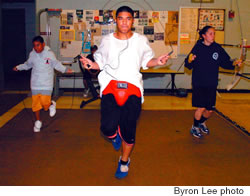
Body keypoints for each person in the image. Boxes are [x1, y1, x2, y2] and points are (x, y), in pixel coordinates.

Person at [80, 6, 171, 179]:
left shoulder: (140, 40)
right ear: (116, 20)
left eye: (128, 18)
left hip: (133, 89)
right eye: (121, 18)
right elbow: (99, 62)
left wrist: (157, 61)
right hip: (110, 87)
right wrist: (91, 65)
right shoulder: (107, 40)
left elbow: (146, 61)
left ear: (132, 20)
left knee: (129, 132)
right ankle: (114, 136)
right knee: (107, 128)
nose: (124, 22)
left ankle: (124, 161)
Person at [184, 25, 242, 138]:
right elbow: (188, 63)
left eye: (214, 33)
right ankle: (195, 127)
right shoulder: (198, 47)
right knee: (201, 107)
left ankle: (201, 123)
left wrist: (234, 63)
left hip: (211, 83)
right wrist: (190, 60)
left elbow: (226, 62)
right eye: (210, 33)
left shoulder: (217, 48)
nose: (213, 35)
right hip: (199, 82)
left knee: (210, 110)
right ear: (204, 36)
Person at [13, 36, 73, 132]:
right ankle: (38, 121)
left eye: (38, 45)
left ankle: (51, 105)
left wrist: (65, 69)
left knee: (45, 104)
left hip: (46, 83)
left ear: (43, 44)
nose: (36, 48)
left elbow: (56, 64)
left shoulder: (49, 54)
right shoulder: (32, 54)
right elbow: (27, 65)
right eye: (34, 46)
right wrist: (18, 67)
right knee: (35, 104)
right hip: (35, 83)